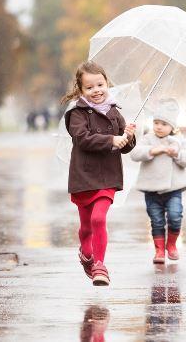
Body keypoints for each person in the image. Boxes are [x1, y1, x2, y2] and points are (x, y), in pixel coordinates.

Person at [62, 61, 136, 286]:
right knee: (86, 226)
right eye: (90, 87)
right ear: (81, 89)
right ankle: (86, 255)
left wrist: (129, 136)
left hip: (107, 176)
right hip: (83, 176)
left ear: (107, 84)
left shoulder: (115, 112)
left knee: (98, 218)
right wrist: (111, 139)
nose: (96, 91)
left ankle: (100, 265)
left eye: (100, 85)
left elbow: (125, 147)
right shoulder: (77, 113)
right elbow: (82, 139)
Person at [129, 99, 186, 263]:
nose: (158, 126)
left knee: (175, 216)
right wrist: (152, 150)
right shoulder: (148, 138)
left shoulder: (179, 140)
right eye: (156, 122)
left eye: (164, 124)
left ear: (172, 127)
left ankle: (171, 244)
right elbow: (135, 154)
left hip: (173, 189)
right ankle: (159, 251)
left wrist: (176, 154)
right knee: (156, 220)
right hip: (151, 189)